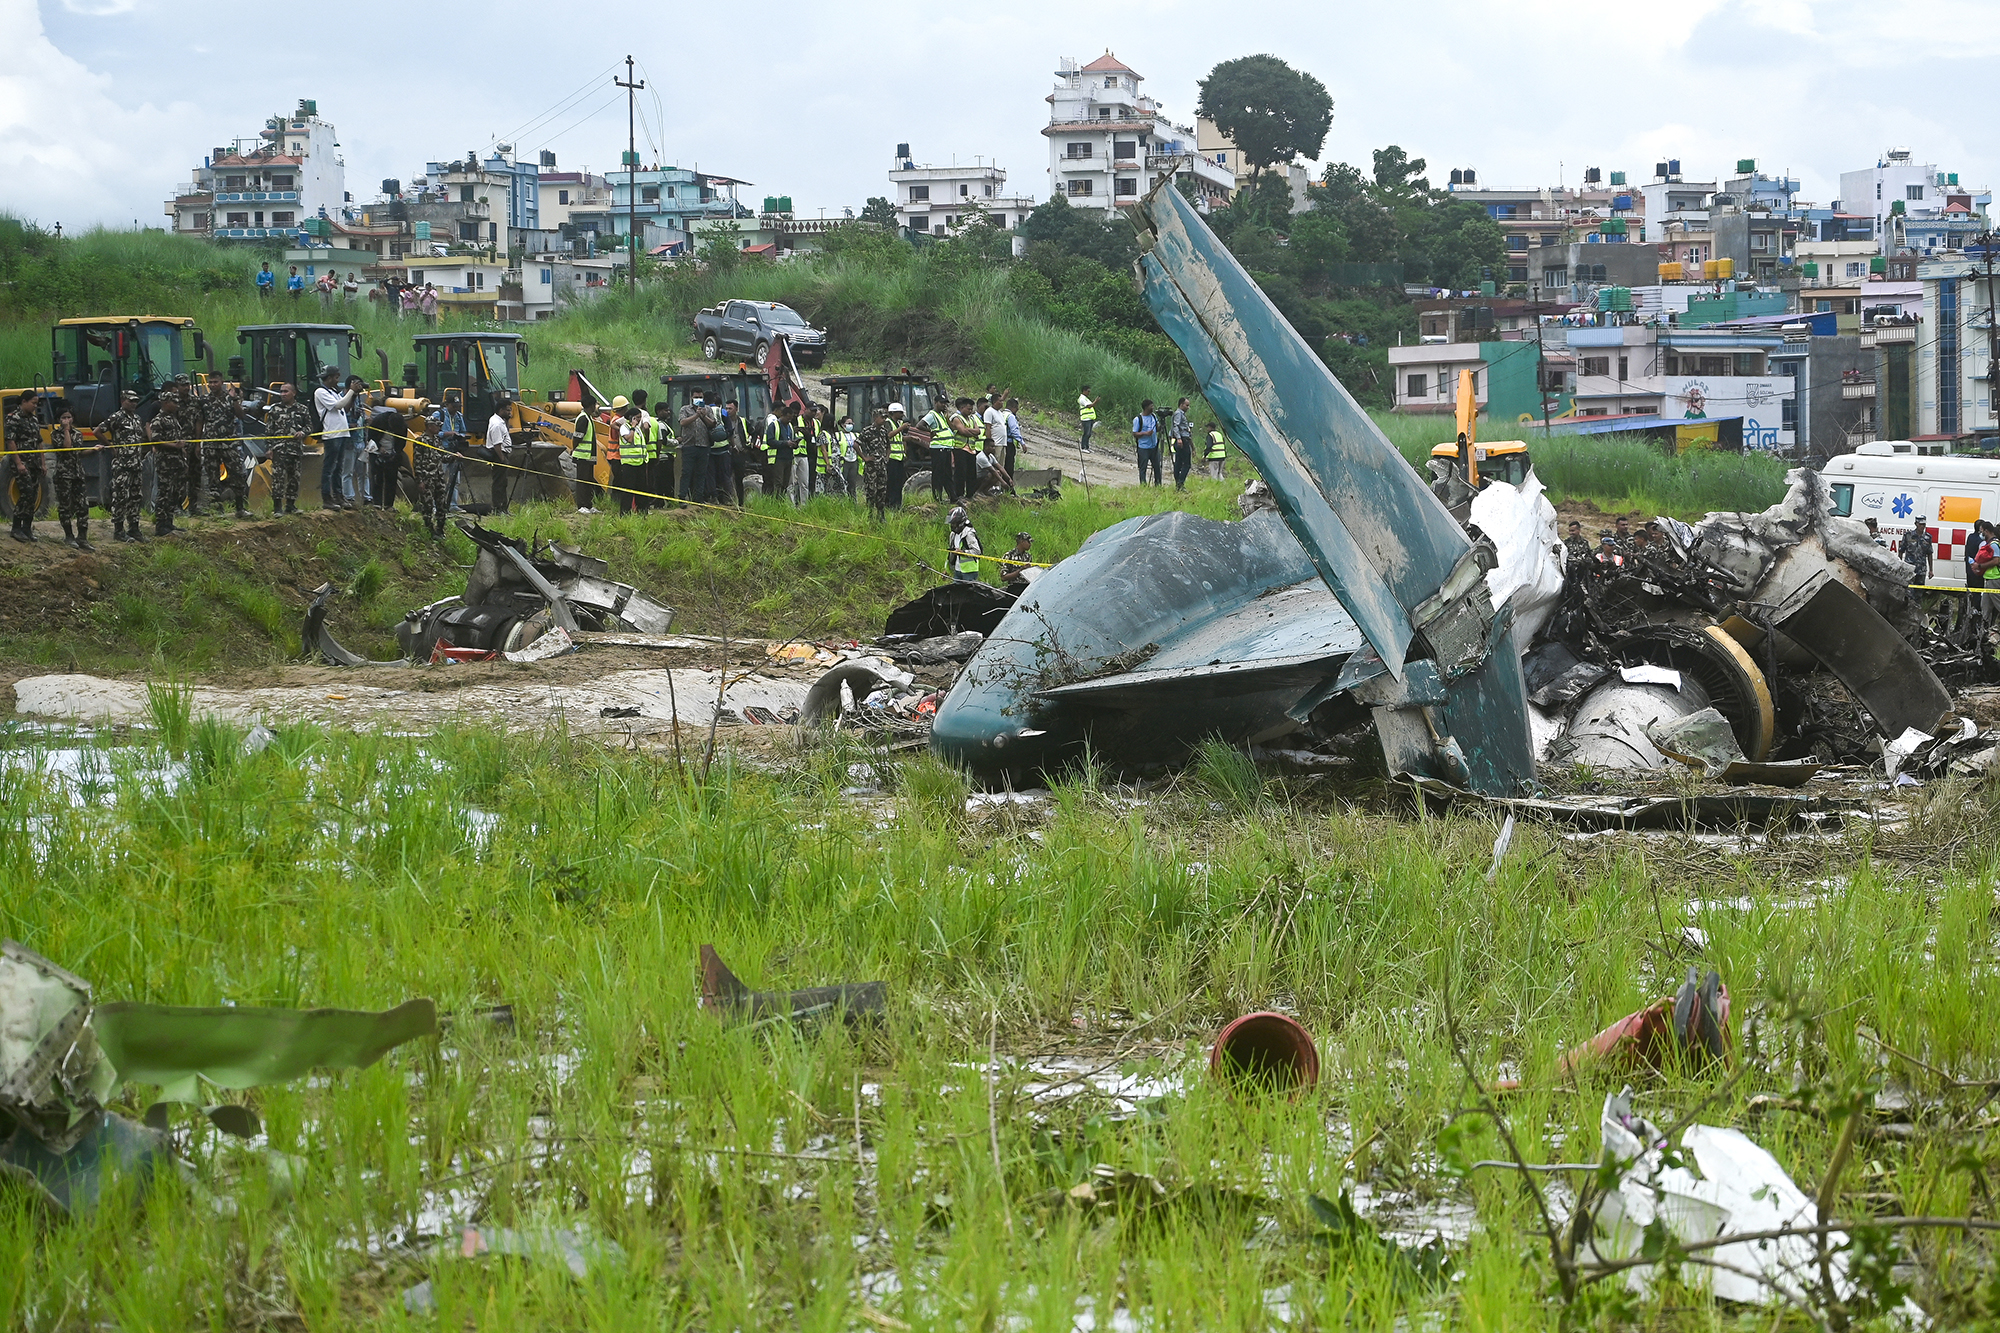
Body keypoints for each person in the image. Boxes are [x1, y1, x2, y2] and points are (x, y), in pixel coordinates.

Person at [101, 389, 148, 542]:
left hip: (136, 464)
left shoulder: (137, 418)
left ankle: (134, 528)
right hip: (122, 464)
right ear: (123, 401)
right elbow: (98, 431)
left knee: (135, 496)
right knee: (121, 496)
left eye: (135, 401)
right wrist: (111, 447)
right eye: (130, 401)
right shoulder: (116, 417)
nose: (134, 403)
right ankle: (119, 531)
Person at [150, 376, 195, 536]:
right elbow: (155, 441)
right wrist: (174, 446)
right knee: (164, 494)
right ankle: (161, 525)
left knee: (174, 493)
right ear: (165, 403)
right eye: (173, 402)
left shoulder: (174, 420)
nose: (177, 405)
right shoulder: (158, 420)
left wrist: (181, 452)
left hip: (177, 463)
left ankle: (169, 523)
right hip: (165, 463)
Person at [203, 379, 251, 519]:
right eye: (210, 382)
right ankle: (217, 511)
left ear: (221, 382)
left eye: (215, 382)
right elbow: (200, 420)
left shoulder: (229, 399)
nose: (212, 385)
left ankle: (240, 508)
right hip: (211, 445)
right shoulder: (204, 400)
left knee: (237, 474)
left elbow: (241, 415)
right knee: (213, 478)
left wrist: (235, 399)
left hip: (229, 445)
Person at [47, 408, 92, 549]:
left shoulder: (78, 433)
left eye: (69, 417)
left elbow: (78, 452)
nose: (67, 420)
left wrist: (94, 449)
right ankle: (69, 536)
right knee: (65, 507)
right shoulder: (55, 434)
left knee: (83, 506)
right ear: (59, 420)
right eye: (64, 418)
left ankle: (82, 538)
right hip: (63, 475)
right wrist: (66, 430)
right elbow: (67, 447)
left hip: (77, 473)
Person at [265, 382, 312, 515]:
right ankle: (277, 508)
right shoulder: (274, 410)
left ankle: (290, 506)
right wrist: (269, 448)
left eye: (286, 391)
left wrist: (303, 432)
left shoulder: (302, 409)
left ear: (294, 393)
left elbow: (309, 427)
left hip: (295, 449)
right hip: (279, 449)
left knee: (294, 478)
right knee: (278, 478)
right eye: (281, 392)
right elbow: (269, 431)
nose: (283, 394)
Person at [314, 368, 357, 510]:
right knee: (329, 467)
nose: (338, 380)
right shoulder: (320, 392)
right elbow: (337, 406)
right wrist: (350, 391)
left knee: (339, 467)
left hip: (342, 433)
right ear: (329, 377)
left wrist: (353, 394)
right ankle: (327, 498)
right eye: (336, 377)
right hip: (332, 434)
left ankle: (339, 495)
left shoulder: (334, 392)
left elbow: (345, 408)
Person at [6, 392, 45, 543]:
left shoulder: (34, 419)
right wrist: (18, 463)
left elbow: (39, 441)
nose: (35, 406)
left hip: (34, 462)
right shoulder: (13, 418)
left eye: (37, 403)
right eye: (33, 403)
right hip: (22, 462)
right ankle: (16, 527)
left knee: (34, 494)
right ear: (24, 401)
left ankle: (27, 528)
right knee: (26, 492)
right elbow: (10, 441)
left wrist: (42, 462)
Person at [412, 407, 449, 537]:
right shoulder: (420, 441)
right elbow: (416, 463)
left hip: (438, 477)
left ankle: (440, 529)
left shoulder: (437, 441)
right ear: (429, 426)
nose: (439, 428)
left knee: (442, 504)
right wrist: (420, 480)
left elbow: (443, 457)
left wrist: (454, 456)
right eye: (437, 426)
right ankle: (429, 529)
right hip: (427, 478)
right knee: (427, 505)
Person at [677, 392, 717, 505]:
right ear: (691, 397)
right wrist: (696, 415)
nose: (698, 399)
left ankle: (698, 498)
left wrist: (704, 415)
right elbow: (683, 422)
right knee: (686, 472)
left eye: (700, 397)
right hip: (689, 445)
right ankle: (682, 497)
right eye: (696, 397)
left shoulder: (708, 409)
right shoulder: (685, 409)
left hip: (704, 445)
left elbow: (713, 424)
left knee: (701, 473)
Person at [367, 402, 407, 509]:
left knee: (391, 479)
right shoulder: (379, 421)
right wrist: (379, 448)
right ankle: (377, 503)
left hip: (393, 453)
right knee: (377, 478)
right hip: (377, 451)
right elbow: (370, 436)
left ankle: (389, 505)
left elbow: (402, 442)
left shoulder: (403, 427)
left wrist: (395, 452)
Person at [857, 406, 894, 520]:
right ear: (875, 418)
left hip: (882, 466)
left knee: (882, 491)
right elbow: (856, 444)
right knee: (871, 491)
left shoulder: (883, 431)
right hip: (871, 467)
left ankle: (881, 515)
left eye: (885, 418)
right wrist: (865, 458)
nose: (884, 420)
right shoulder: (867, 431)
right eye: (882, 417)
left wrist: (887, 457)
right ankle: (869, 515)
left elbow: (888, 446)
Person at [432, 390, 468, 510]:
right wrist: (446, 434)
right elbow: (433, 432)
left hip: (454, 450)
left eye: (458, 407)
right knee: (438, 478)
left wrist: (460, 436)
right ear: (447, 405)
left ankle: (453, 504)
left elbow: (463, 431)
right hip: (442, 449)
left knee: (455, 479)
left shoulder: (459, 416)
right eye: (454, 406)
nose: (456, 409)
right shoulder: (439, 415)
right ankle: (434, 505)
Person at [570, 391, 603, 512]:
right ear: (591, 405)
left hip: (588, 456)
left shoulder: (588, 418)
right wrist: (574, 450)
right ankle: (582, 505)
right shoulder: (583, 419)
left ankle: (588, 505)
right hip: (582, 455)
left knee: (588, 481)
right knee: (582, 481)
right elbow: (577, 437)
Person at [485, 391, 515, 513]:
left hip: (501, 454)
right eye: (508, 410)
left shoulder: (499, 421)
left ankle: (503, 507)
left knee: (503, 483)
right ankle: (498, 508)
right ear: (501, 410)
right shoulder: (497, 424)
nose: (510, 413)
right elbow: (497, 444)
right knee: (499, 483)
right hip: (499, 455)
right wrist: (502, 459)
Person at [948, 396, 982, 501]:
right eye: (969, 409)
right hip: (960, 448)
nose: (971, 411)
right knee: (960, 473)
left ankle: (970, 494)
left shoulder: (972, 418)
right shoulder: (956, 417)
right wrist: (971, 432)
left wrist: (969, 431)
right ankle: (959, 494)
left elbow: (978, 432)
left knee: (972, 473)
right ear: (962, 407)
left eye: (972, 409)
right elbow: (962, 431)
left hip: (971, 449)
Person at [617, 401, 647, 513]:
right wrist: (633, 427)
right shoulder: (625, 427)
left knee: (642, 489)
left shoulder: (638, 429)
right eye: (637, 418)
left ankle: (642, 511)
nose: (639, 420)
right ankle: (625, 512)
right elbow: (629, 439)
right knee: (628, 491)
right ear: (632, 418)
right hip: (629, 464)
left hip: (640, 463)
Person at [711, 400, 741, 506]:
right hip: (723, 449)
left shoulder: (703, 411)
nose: (727, 410)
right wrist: (733, 446)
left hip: (709, 450)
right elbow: (730, 431)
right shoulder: (721, 412)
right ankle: (728, 499)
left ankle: (713, 498)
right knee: (725, 475)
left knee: (711, 475)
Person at [947, 505, 982, 582]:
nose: (952, 526)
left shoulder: (969, 534)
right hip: (957, 570)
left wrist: (963, 552)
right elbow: (950, 553)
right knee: (955, 592)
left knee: (968, 593)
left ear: (960, 522)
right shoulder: (953, 535)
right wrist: (946, 569)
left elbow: (977, 551)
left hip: (969, 571)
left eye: (954, 524)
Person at [1132, 399, 1161, 485]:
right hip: (1143, 447)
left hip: (1154, 446)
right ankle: (1143, 484)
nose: (1153, 408)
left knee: (1157, 467)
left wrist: (1161, 426)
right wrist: (1145, 433)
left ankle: (1158, 484)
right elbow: (1135, 433)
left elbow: (1157, 428)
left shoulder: (1153, 416)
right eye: (1151, 406)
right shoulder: (1138, 419)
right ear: (1146, 407)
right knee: (1143, 467)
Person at [1169, 396, 1193, 490]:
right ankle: (1180, 482)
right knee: (1186, 463)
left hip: (1182, 438)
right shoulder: (1178, 413)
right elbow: (1176, 426)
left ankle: (1178, 483)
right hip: (1182, 439)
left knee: (1178, 462)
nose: (1188, 407)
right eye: (1187, 405)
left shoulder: (1181, 414)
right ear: (1181, 404)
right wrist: (1179, 438)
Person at [1900, 521, 1932, 586]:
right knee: (1908, 592)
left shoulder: (1927, 537)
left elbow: (1929, 554)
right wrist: (1900, 567)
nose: (1922, 526)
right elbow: (1901, 551)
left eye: (1924, 524)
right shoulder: (1908, 535)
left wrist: (1931, 570)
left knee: (1919, 592)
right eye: (1920, 524)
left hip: (1921, 570)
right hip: (1909, 569)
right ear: (1916, 524)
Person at [1004, 398, 1024, 488]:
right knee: (1009, 467)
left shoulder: (1002, 414)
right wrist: (1022, 443)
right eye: (1017, 408)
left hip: (1001, 443)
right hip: (1009, 444)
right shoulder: (1010, 416)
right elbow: (1014, 430)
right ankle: (1009, 486)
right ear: (1013, 407)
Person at [1077, 384, 1097, 452]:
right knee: (1086, 433)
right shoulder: (1082, 399)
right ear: (1084, 391)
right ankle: (1083, 447)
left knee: (1089, 434)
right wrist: (1096, 401)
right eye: (1088, 391)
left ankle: (1087, 447)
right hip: (1086, 418)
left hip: (1090, 418)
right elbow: (1089, 406)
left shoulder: (1086, 399)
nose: (1089, 393)